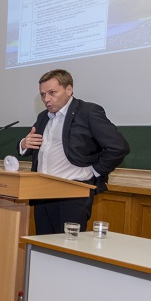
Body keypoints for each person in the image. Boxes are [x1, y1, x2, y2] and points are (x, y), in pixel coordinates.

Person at [19, 69, 129, 235]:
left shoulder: (88, 112)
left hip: (72, 195)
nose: (46, 99)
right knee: (42, 245)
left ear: (69, 89)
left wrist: (94, 171)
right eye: (42, 94)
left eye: (52, 93)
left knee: (67, 246)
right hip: (41, 194)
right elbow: (34, 146)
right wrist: (23, 144)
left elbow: (119, 147)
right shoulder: (43, 117)